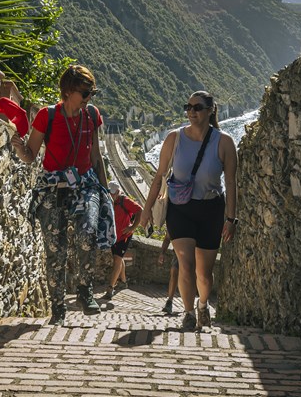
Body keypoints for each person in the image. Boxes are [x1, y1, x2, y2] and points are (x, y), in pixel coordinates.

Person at [11, 64, 110, 324]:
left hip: (85, 183)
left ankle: (84, 290)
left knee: (87, 232)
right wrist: (20, 149)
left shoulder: (92, 115)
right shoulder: (47, 116)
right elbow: (30, 156)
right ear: (68, 92)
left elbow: (96, 156)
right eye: (85, 92)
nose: (90, 97)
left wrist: (105, 190)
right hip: (51, 188)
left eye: (92, 92)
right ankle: (57, 308)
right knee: (56, 250)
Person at [139, 91, 238, 332]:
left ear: (210, 110)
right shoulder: (174, 138)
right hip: (180, 209)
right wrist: (146, 209)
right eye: (188, 107)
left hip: (210, 210)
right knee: (185, 262)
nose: (192, 111)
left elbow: (233, 183)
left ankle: (203, 305)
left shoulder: (224, 142)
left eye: (198, 107)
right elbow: (159, 176)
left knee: (204, 273)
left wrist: (231, 218)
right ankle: (189, 313)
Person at [102, 182, 142, 301]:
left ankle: (110, 288)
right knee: (118, 259)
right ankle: (123, 281)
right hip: (114, 235)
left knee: (117, 260)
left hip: (124, 236)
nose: (111, 196)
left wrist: (132, 227)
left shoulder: (125, 201)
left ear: (118, 192)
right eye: (110, 193)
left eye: (113, 194)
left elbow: (140, 210)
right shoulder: (109, 201)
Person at [157, 233, 179, 314]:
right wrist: (162, 253)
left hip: (194, 250)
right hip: (178, 251)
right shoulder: (174, 220)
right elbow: (167, 238)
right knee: (174, 270)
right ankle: (169, 301)